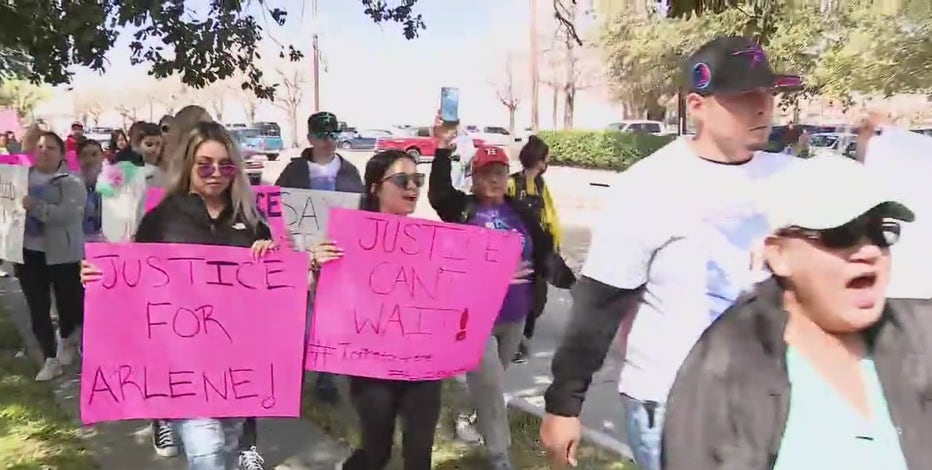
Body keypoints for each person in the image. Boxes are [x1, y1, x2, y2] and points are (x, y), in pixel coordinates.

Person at [539, 36, 802, 470]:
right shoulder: (648, 186)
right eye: (744, 96)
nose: (763, 107)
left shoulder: (797, 179)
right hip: (673, 403)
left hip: (771, 397)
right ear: (697, 105)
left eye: (768, 93)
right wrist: (564, 406)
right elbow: (599, 304)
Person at [662, 155, 932, 469]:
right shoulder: (726, 366)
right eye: (841, 234)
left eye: (880, 232)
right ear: (779, 255)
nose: (870, 251)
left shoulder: (918, 335)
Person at [81, 121, 276, 470]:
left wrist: (271, 255)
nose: (216, 174)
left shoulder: (250, 220)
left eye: (226, 166)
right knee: (207, 452)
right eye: (205, 165)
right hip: (183, 364)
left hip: (236, 364)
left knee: (229, 446)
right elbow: (134, 280)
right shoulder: (161, 220)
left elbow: (272, 290)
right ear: (188, 165)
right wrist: (101, 278)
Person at [429, 118, 552, 470]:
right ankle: (500, 455)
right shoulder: (463, 209)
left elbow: (543, 251)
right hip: (475, 319)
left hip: (515, 315)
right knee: (492, 384)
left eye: (499, 172)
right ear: (474, 178)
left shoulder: (520, 211)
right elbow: (438, 193)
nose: (494, 179)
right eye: (486, 173)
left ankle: (464, 414)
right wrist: (441, 148)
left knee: (490, 381)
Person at [323, 149, 440, 470]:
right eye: (402, 180)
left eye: (417, 179)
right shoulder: (347, 237)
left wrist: (492, 277)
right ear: (375, 187)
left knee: (419, 454)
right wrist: (317, 264)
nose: (412, 187)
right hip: (372, 364)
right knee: (376, 452)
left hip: (422, 362)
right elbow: (325, 297)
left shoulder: (432, 239)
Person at [276, 111, 364, 405]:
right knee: (300, 317)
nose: (327, 141)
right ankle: (294, 373)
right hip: (301, 254)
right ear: (310, 137)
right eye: (321, 135)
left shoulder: (349, 172)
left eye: (332, 135)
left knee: (330, 318)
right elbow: (276, 208)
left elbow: (361, 213)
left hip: (337, 255)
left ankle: (325, 377)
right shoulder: (294, 171)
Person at [16, 132, 87, 381]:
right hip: (28, 253)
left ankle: (67, 339)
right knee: (38, 307)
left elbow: (69, 214)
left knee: (68, 304)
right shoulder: (20, 177)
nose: (44, 151)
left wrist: (36, 207)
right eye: (39, 147)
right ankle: (49, 358)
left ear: (61, 153)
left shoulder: (72, 181)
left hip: (63, 255)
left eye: (50, 147)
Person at [506, 135, 573, 364]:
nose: (547, 164)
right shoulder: (512, 183)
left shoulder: (541, 186)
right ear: (538, 161)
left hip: (538, 249)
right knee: (517, 295)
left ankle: (523, 337)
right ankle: (515, 342)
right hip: (516, 251)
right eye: (546, 159)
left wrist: (554, 243)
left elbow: (550, 215)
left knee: (538, 298)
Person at [76, 138, 104, 241]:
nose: (90, 160)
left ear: (102, 156)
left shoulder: (113, 183)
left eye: (94, 154)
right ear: (78, 159)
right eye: (84, 155)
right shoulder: (72, 185)